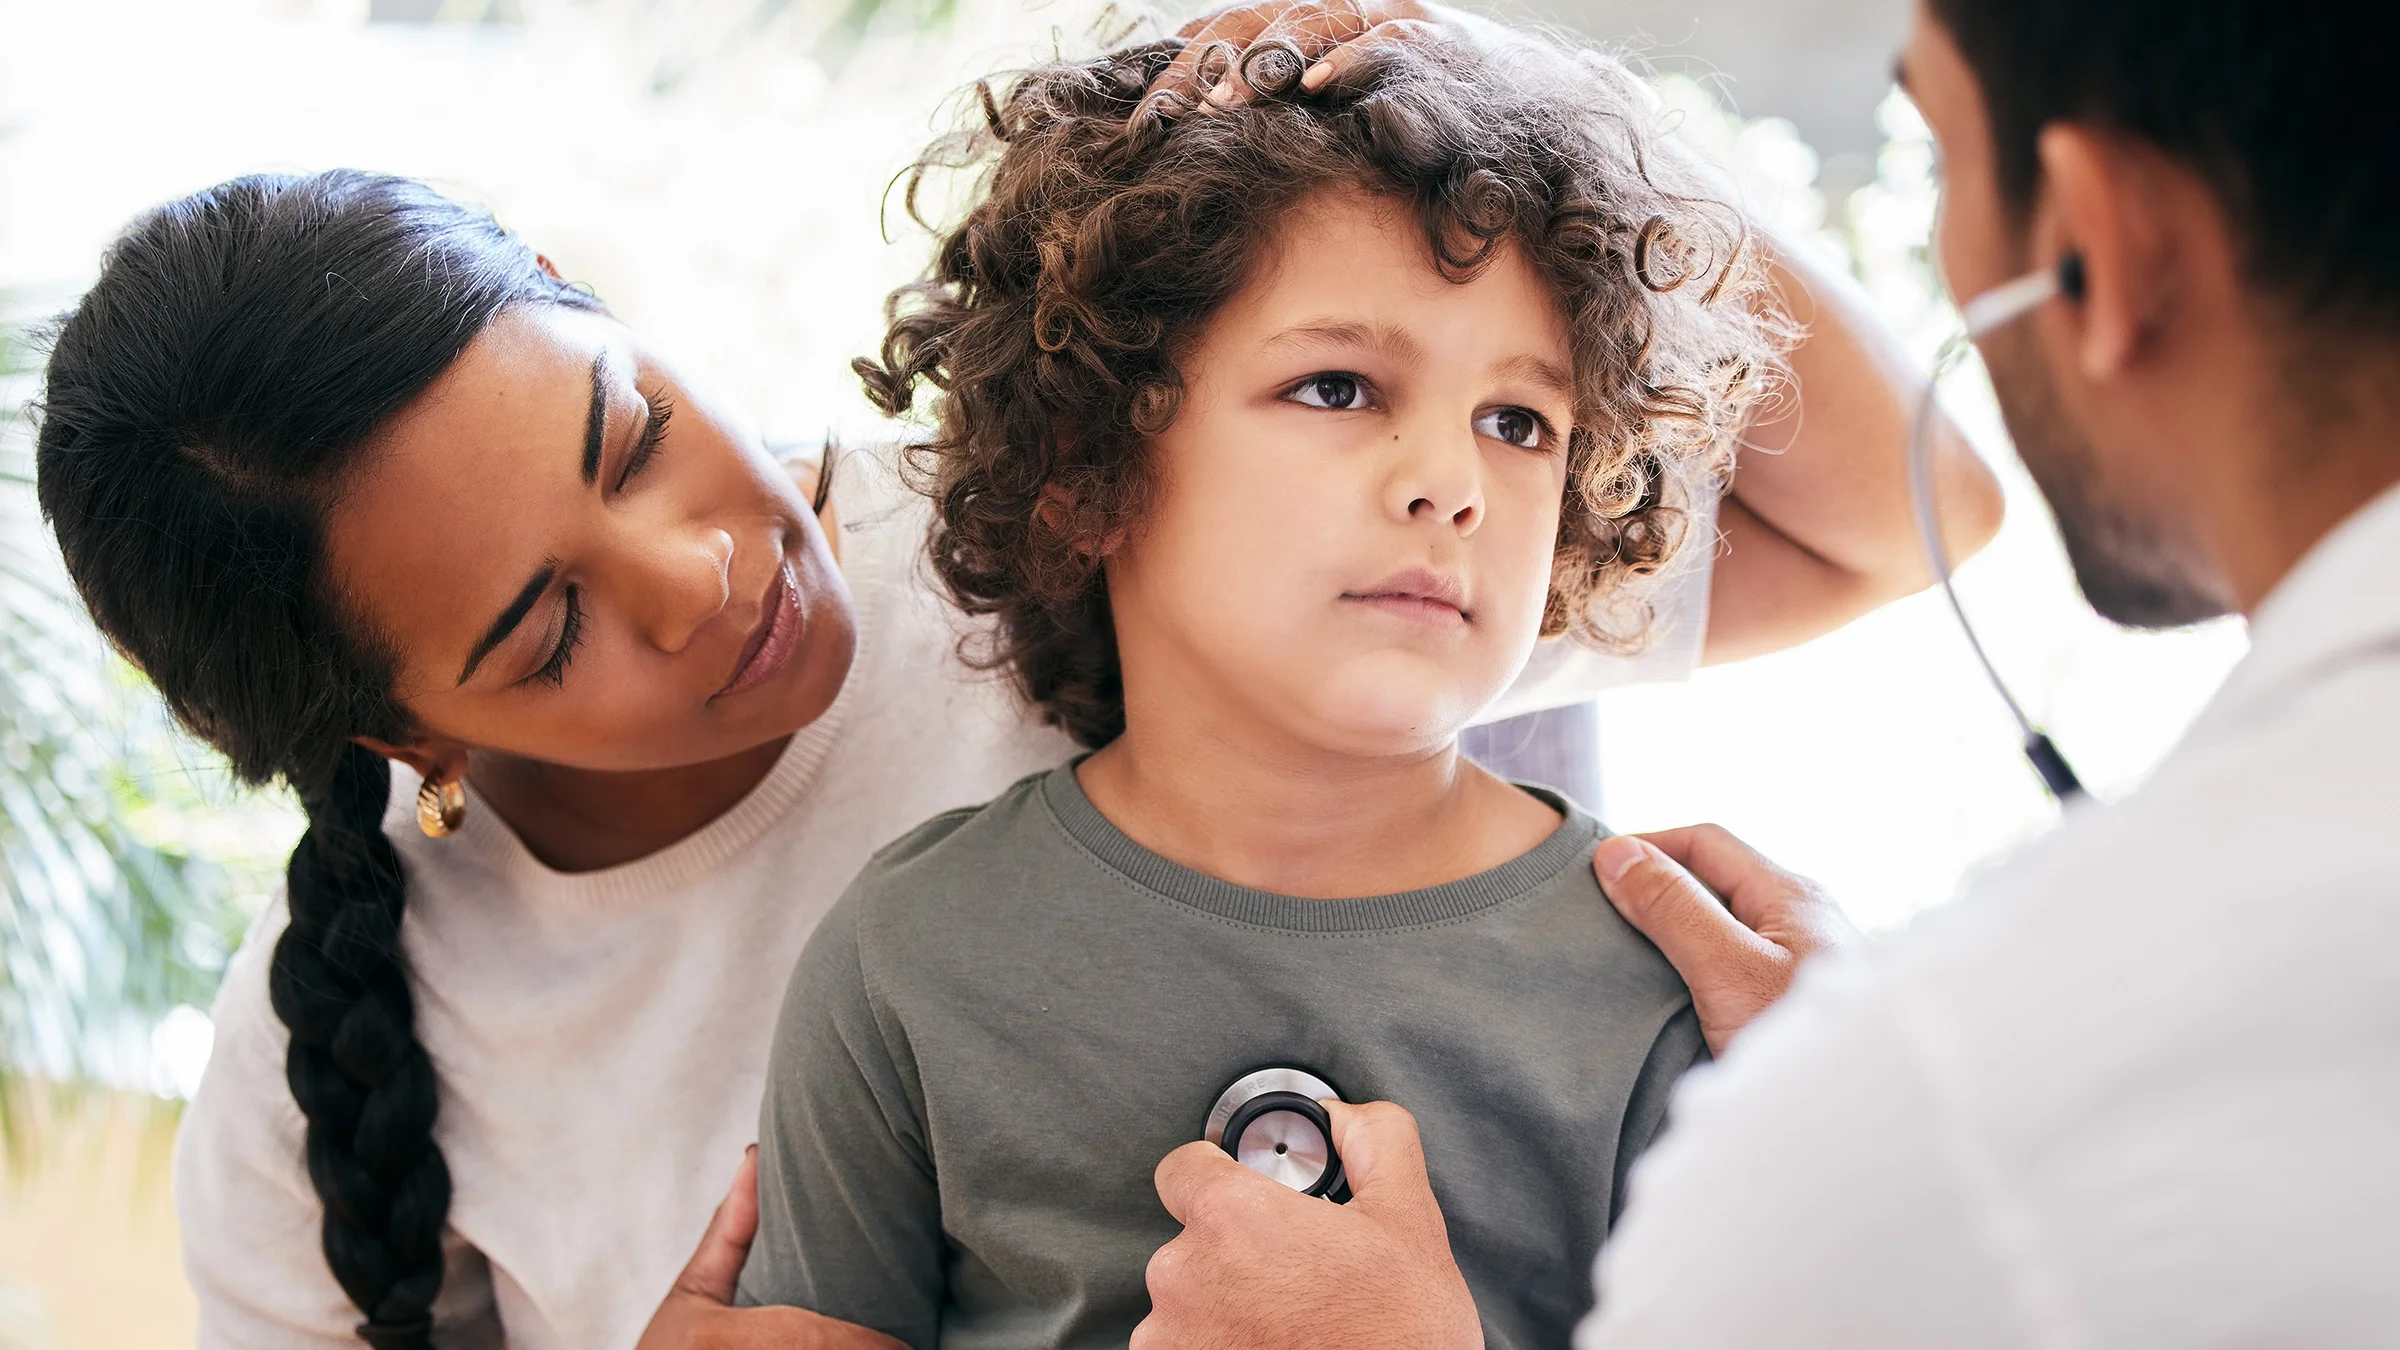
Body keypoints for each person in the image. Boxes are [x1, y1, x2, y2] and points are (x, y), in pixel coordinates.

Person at [30, 139, 1983, 1350]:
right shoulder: (331, 1064)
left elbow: (1907, 515)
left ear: (591, 300)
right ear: (397, 737)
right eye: (548, 630)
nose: (702, 572)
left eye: (629, 430)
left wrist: (1479, 74)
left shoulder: (1101, 518)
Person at [1129, 0, 2400, 1345]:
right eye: (1336, 388)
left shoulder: (1919, 1130)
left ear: (2103, 245)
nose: (1446, 483)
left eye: (1943, 159)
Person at [730, 26, 1773, 1349]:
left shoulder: (1662, 984)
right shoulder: (906, 956)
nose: (1451, 480)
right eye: (1337, 386)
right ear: (1082, 460)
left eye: (1520, 421)